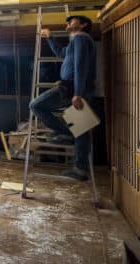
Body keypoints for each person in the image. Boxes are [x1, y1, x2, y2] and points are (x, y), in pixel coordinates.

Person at [29, 15, 96, 181]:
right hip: (75, 87)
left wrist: (77, 93)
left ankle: (65, 133)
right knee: (81, 128)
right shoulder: (76, 41)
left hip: (72, 88)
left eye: (72, 21)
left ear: (83, 25)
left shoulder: (81, 38)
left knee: (36, 105)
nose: (68, 23)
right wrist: (50, 37)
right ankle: (80, 169)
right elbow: (61, 52)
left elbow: (80, 66)